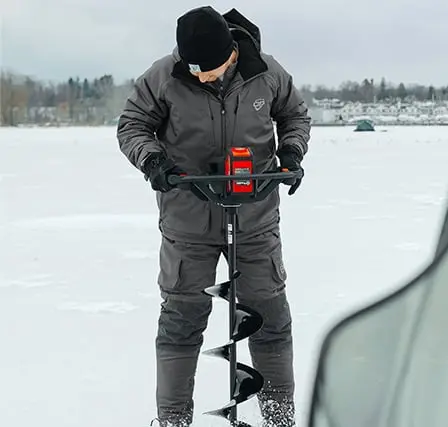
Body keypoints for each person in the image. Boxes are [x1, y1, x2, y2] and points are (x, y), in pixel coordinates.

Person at [116, 6, 310, 427]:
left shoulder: (268, 72)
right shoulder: (164, 75)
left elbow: (294, 115)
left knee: (270, 319)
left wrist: (291, 152)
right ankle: (172, 420)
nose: (201, 75)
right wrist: (154, 163)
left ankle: (280, 417)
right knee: (181, 323)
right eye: (193, 69)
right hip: (188, 221)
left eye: (209, 68)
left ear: (231, 52)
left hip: (255, 218)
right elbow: (132, 125)